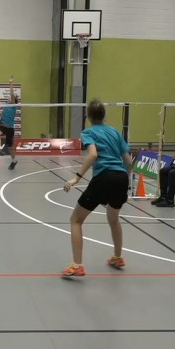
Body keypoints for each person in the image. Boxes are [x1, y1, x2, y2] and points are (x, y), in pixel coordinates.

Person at [62, 99, 132, 277]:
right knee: (114, 219)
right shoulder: (115, 132)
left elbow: (92, 154)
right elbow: (128, 161)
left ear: (88, 116)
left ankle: (77, 265)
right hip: (121, 177)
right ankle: (117, 257)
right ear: (104, 115)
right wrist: (125, 180)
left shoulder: (88, 132)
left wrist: (76, 177)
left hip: (104, 176)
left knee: (76, 220)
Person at [0, 75, 19, 170]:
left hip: (10, 128)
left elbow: (12, 94)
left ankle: (14, 161)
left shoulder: (13, 105)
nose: (9, 97)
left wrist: (11, 83)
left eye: (10, 97)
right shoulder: (5, 105)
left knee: (10, 147)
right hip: (3, 126)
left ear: (13, 99)